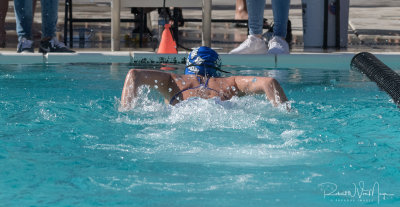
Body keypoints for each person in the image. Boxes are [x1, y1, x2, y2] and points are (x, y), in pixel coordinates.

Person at [121, 46, 288, 110]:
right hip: (221, 112)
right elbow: (269, 82)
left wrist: (125, 112)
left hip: (183, 112)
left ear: (189, 66)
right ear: (217, 67)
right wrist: (285, 114)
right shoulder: (231, 82)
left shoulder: (173, 80)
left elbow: (134, 75)